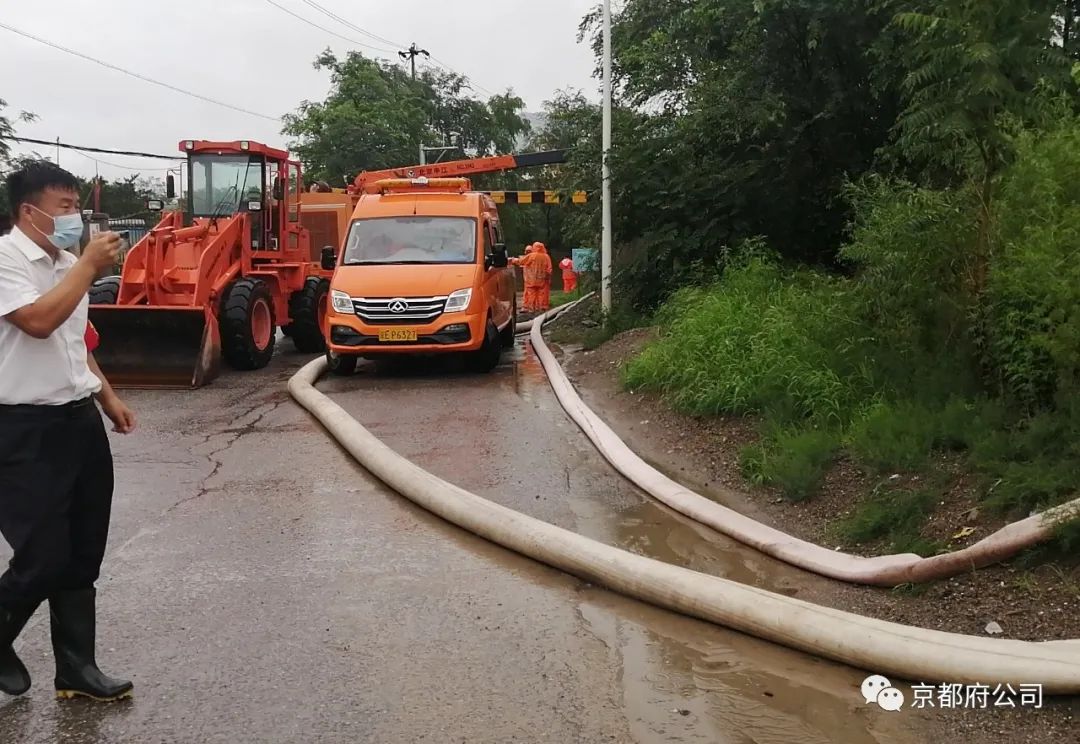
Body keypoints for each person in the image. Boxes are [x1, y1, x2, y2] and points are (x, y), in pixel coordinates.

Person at [0, 162, 136, 702]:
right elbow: (37, 322)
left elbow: (75, 343)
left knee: (82, 553)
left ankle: (77, 670)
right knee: (42, 557)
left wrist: (107, 398)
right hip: (23, 427)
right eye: (63, 208)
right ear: (28, 211)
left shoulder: (65, 264)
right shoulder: (7, 259)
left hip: (78, 418)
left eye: (76, 207)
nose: (74, 218)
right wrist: (87, 267)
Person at [531, 242, 553, 312]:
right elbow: (549, 269)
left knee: (533, 293)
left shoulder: (532, 256)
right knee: (543, 293)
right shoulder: (546, 256)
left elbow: (522, 261)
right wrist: (549, 277)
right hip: (543, 278)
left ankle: (534, 307)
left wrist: (513, 260)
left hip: (533, 279)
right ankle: (542, 306)